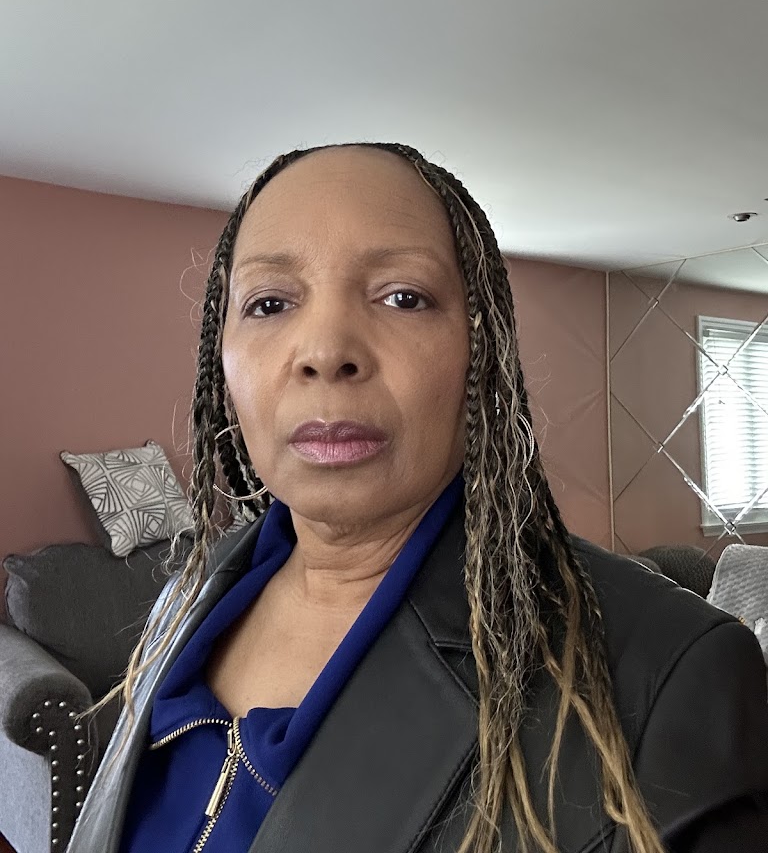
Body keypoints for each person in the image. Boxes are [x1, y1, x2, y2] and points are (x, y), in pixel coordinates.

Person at [68, 142, 768, 853]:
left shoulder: (668, 679)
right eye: (269, 303)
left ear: (481, 352)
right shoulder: (183, 603)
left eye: (403, 297)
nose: (326, 351)